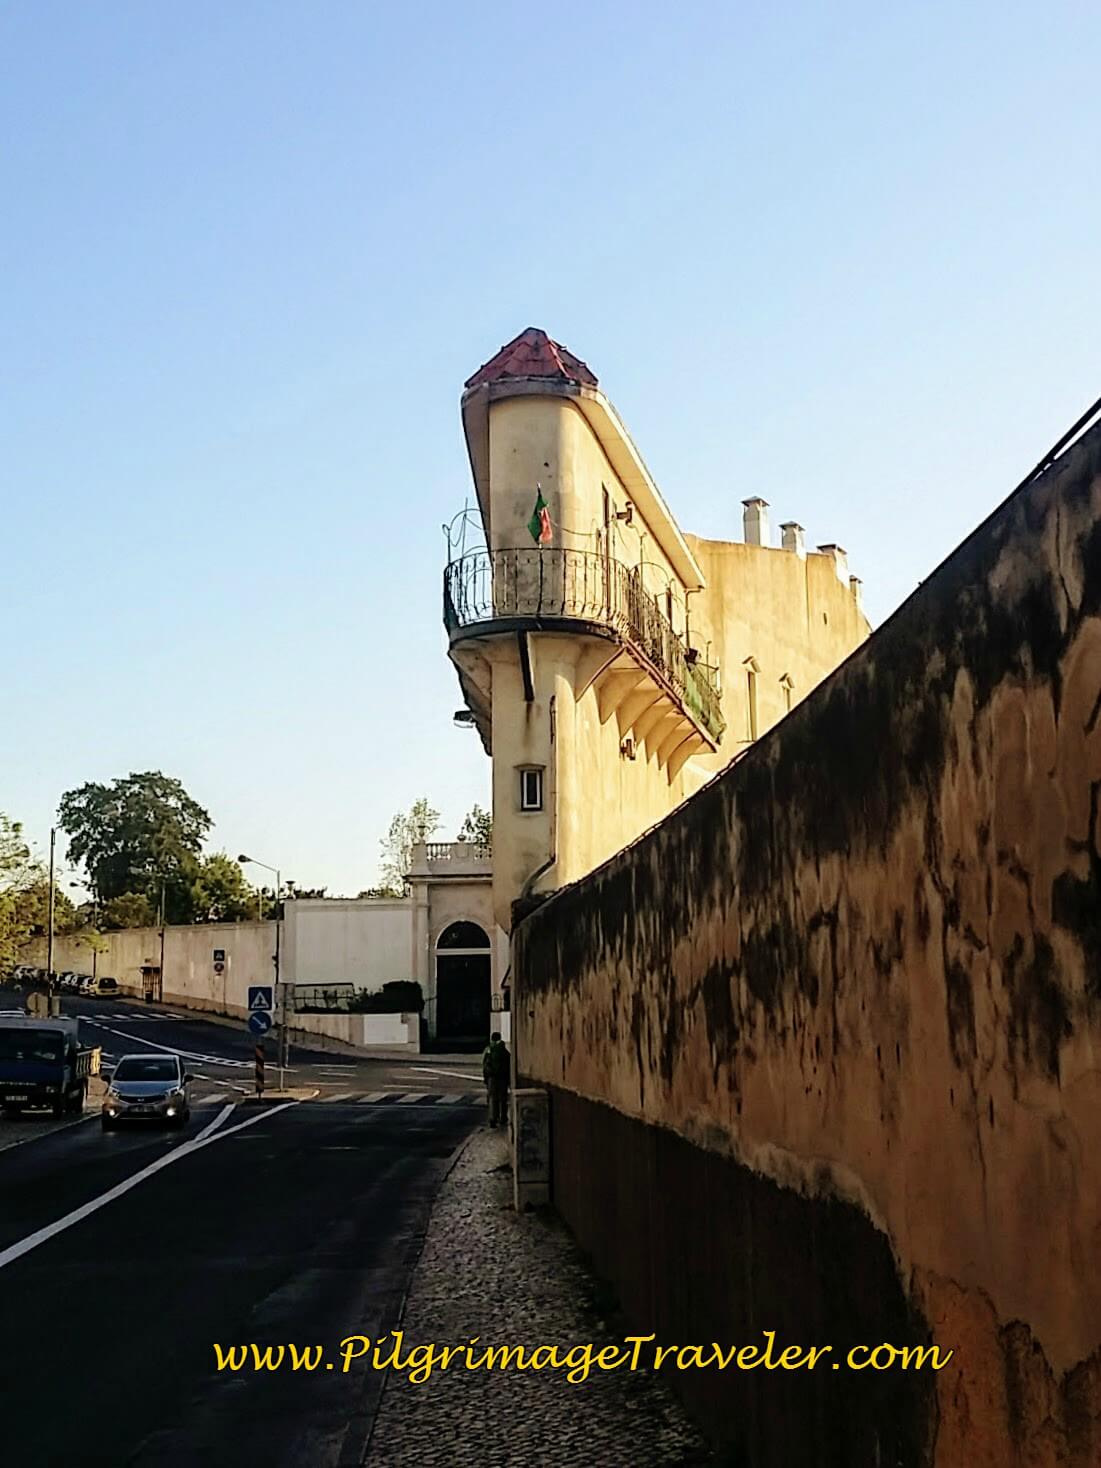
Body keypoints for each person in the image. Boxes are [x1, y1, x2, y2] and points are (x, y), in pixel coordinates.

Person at [482, 1030, 510, 1128]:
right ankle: (503, 1117)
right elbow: (508, 1065)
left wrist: (485, 1078)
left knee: (493, 1099)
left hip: (492, 1078)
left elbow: (485, 1065)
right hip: (503, 1078)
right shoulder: (504, 1051)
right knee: (503, 1098)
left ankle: (493, 1119)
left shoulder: (488, 1049)